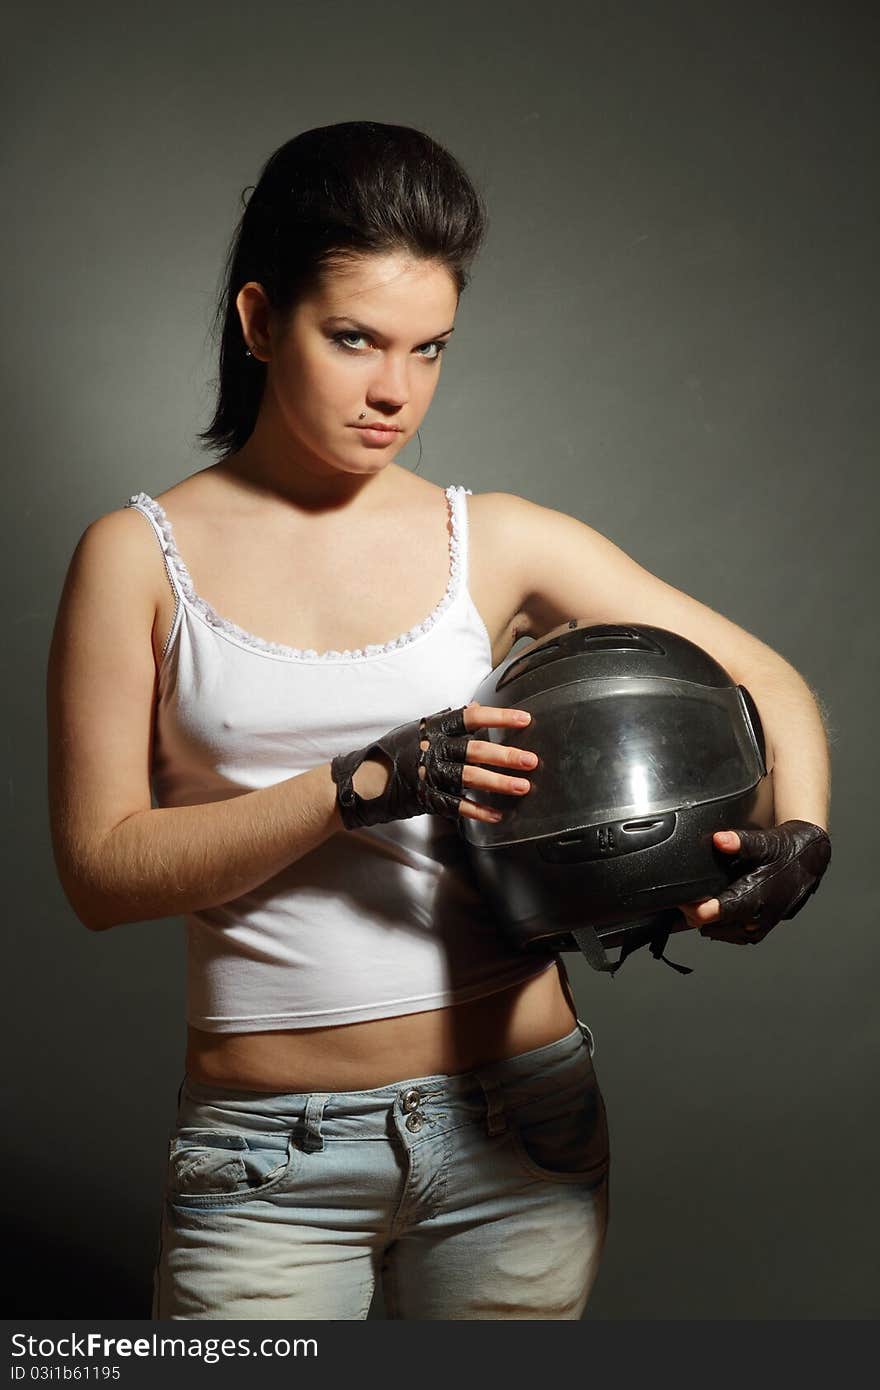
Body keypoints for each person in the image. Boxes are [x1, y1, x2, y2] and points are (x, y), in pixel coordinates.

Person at [46, 121, 831, 1321]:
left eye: (430, 348)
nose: (393, 391)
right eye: (353, 338)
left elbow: (768, 682)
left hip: (518, 1118)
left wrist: (800, 840)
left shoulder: (497, 537)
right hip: (268, 1156)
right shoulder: (135, 558)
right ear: (260, 322)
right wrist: (360, 782)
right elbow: (101, 872)